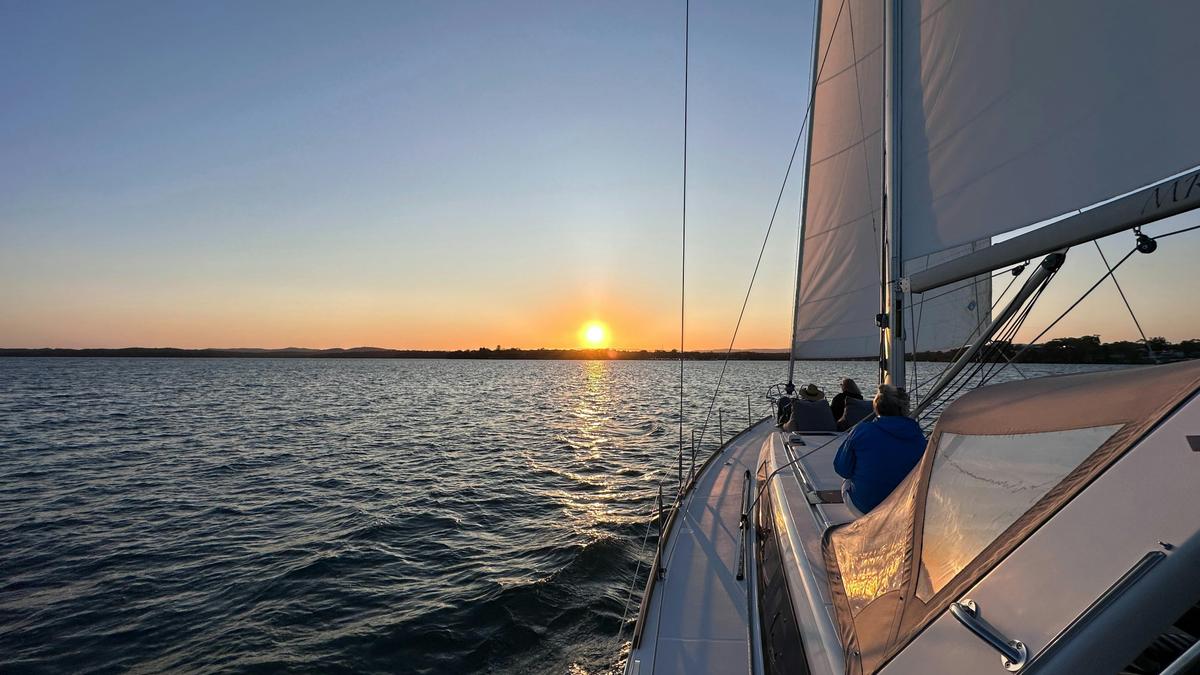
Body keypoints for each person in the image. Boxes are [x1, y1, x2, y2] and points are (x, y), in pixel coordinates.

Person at [833, 384, 926, 514]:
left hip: (865, 508)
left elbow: (841, 469)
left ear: (876, 407)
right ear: (904, 408)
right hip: (902, 510)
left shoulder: (862, 431)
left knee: (847, 479)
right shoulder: (918, 436)